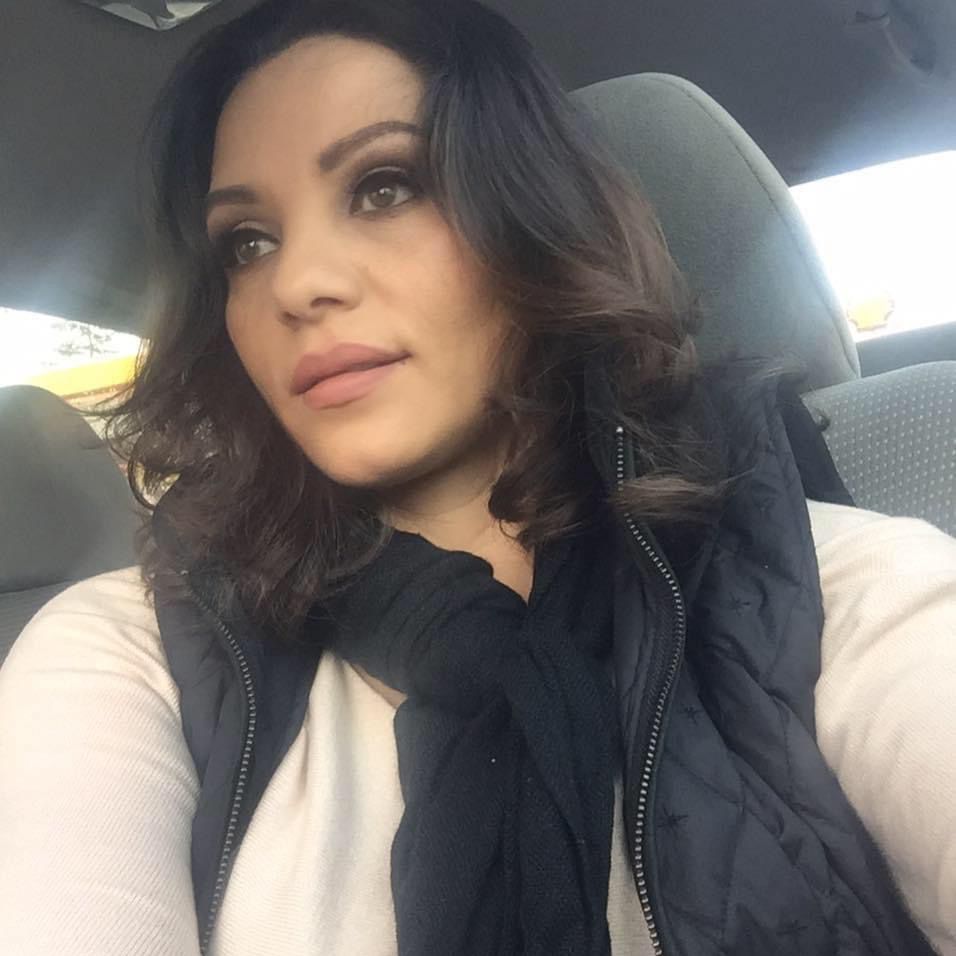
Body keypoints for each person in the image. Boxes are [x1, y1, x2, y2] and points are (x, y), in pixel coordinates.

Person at [0, 1, 954, 954]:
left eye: (383, 187)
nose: (295, 285)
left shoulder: (833, 590)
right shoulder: (134, 652)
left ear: (531, 216)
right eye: (248, 243)